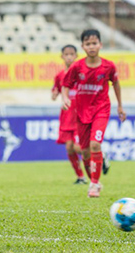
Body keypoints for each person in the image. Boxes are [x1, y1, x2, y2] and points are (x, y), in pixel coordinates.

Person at [62, 29, 126, 198]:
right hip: (81, 112)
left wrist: (120, 106)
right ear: (83, 46)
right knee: (85, 153)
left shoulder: (108, 66)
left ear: (100, 44)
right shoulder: (77, 67)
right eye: (88, 44)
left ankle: (94, 184)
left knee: (95, 145)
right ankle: (94, 180)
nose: (91, 47)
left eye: (94, 43)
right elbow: (65, 84)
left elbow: (116, 84)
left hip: (101, 110)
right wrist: (64, 98)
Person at [52, 44, 86, 184]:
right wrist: (54, 94)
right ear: (62, 57)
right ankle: (80, 176)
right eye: (67, 54)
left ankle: (99, 156)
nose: (69, 57)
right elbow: (55, 91)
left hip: (79, 115)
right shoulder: (59, 76)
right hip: (66, 115)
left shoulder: (82, 73)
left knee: (78, 147)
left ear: (76, 56)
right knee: (69, 148)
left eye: (72, 54)